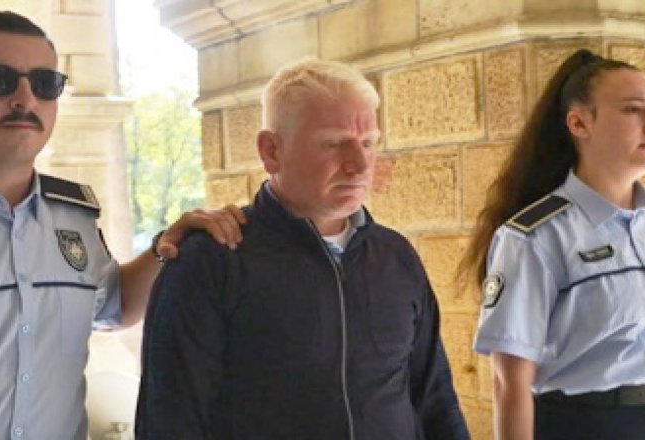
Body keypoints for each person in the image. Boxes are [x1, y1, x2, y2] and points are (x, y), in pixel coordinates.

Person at [0, 11, 244, 439]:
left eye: (45, 83)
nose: (25, 99)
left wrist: (165, 247)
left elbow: (112, 306)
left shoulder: (74, 218)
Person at [134, 57, 470, 439]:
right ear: (271, 151)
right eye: (334, 144)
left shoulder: (396, 257)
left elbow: (435, 399)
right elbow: (170, 420)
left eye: (368, 143)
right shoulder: (212, 261)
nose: (359, 165)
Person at [458, 49, 645, 440]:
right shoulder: (536, 236)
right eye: (633, 110)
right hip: (589, 424)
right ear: (579, 123)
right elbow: (510, 381)